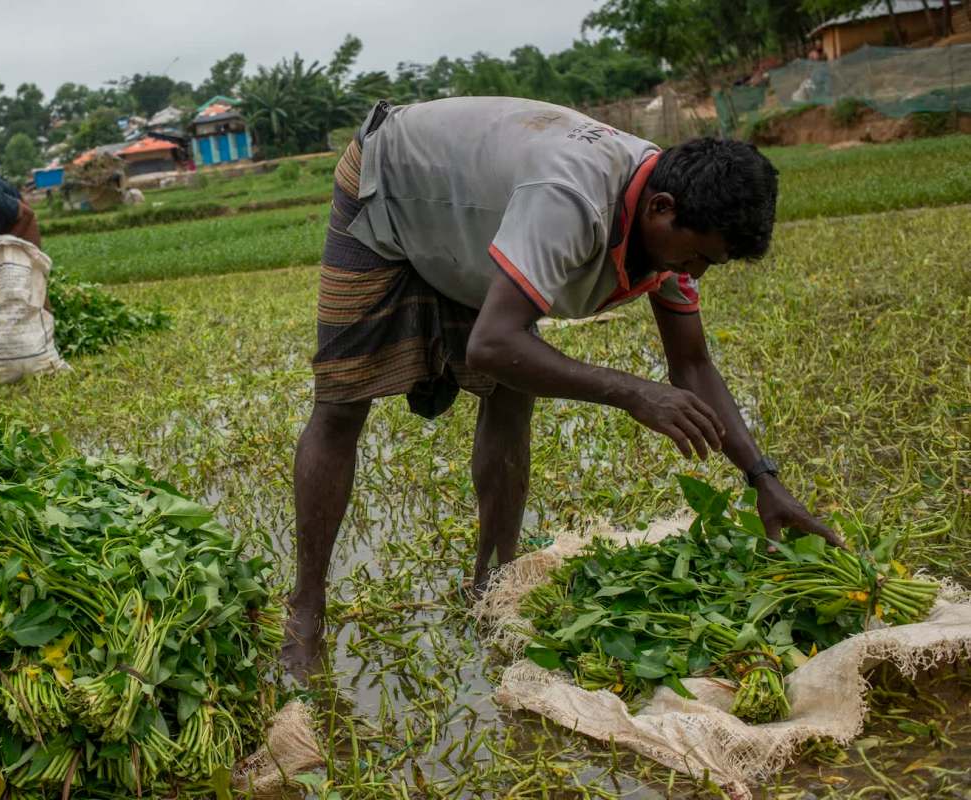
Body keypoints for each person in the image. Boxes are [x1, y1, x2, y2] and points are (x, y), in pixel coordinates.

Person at [283, 97, 846, 673]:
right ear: (661, 208)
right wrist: (633, 392)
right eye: (699, 256)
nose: (695, 272)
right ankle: (306, 610)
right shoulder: (571, 201)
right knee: (342, 401)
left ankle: (493, 584)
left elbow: (693, 367)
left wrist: (762, 479)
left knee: (512, 389)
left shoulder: (671, 218)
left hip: (479, 211)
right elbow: (491, 344)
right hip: (394, 183)